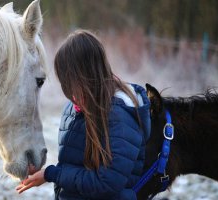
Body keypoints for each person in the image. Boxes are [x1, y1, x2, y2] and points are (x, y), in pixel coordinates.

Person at [16, 30, 151, 200]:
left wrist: (51, 174)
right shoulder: (73, 109)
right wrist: (41, 171)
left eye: (71, 81)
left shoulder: (120, 117)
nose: (70, 92)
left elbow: (107, 183)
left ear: (87, 75)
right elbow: (72, 166)